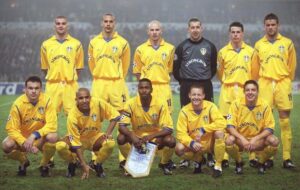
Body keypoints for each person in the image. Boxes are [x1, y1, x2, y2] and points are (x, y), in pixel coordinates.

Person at [252, 13, 297, 169]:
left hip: (282, 83)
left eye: (273, 24)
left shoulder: (288, 43)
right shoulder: (258, 45)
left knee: (284, 120)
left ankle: (287, 158)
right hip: (265, 84)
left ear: (278, 25)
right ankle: (265, 157)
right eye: (268, 25)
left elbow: (291, 67)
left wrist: (284, 81)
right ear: (264, 26)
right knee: (263, 121)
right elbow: (255, 70)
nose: (270, 27)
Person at [173, 17, 217, 168]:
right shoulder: (181, 47)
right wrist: (185, 82)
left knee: (210, 117)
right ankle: (187, 153)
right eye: (192, 27)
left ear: (201, 28)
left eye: (198, 27)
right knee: (186, 117)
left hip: (205, 84)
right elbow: (175, 69)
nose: (195, 30)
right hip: (186, 84)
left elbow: (213, 69)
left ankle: (210, 154)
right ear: (188, 29)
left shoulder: (210, 46)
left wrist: (203, 81)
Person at [88, 13, 130, 167]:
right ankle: (95, 155)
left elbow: (125, 67)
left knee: (121, 119)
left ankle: (123, 157)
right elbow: (92, 65)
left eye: (111, 21)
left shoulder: (123, 43)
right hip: (99, 83)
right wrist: (100, 76)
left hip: (116, 84)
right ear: (101, 23)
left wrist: (116, 78)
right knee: (95, 119)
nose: (108, 24)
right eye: (105, 21)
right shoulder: (93, 42)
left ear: (115, 23)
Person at [56, 88, 120, 179]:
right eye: (81, 98)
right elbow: (76, 144)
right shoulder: (72, 115)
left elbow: (116, 115)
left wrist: (108, 133)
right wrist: (83, 164)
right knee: (60, 146)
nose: (84, 101)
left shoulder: (98, 103)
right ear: (76, 100)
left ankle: (96, 164)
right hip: (78, 139)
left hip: (94, 137)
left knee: (110, 143)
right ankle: (73, 162)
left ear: (90, 98)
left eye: (87, 97)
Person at [117, 78, 176, 175]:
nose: (144, 90)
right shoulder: (130, 103)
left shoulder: (161, 103)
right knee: (121, 138)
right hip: (137, 138)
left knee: (171, 140)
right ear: (138, 89)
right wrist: (133, 136)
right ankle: (130, 164)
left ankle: (164, 163)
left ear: (151, 90)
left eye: (147, 88)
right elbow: (121, 126)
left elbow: (169, 129)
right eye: (141, 88)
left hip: (155, 139)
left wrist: (151, 137)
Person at [2, 76, 58, 177]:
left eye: (36, 88)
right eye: (30, 88)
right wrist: (24, 142)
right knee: (6, 145)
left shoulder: (47, 101)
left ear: (41, 89)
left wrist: (34, 135)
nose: (33, 91)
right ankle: (23, 161)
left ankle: (44, 164)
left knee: (53, 136)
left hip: (39, 138)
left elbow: (52, 125)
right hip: (23, 139)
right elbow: (11, 128)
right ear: (25, 89)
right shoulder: (17, 104)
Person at [217, 22, 255, 168]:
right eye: (233, 32)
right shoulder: (222, 52)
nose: (235, 35)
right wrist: (229, 83)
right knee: (226, 122)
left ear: (242, 34)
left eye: (238, 32)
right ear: (229, 34)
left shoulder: (251, 52)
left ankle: (252, 155)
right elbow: (220, 73)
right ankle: (226, 155)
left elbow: (255, 73)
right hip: (227, 91)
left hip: (245, 92)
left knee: (249, 122)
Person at [225, 80, 279, 174]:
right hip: (240, 141)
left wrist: (255, 138)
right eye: (247, 90)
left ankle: (261, 162)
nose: (250, 92)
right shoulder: (236, 104)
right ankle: (239, 162)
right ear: (244, 92)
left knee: (274, 141)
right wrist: (242, 139)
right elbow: (230, 126)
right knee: (228, 140)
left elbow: (270, 128)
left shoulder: (265, 105)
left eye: (253, 90)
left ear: (258, 92)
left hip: (258, 141)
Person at [175, 84, 226, 177]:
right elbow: (180, 133)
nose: (196, 97)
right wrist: (191, 143)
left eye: (199, 95)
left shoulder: (211, 106)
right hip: (195, 144)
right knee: (179, 148)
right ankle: (198, 160)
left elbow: (222, 122)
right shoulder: (184, 111)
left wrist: (204, 129)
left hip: (210, 143)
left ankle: (218, 165)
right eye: (193, 95)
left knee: (219, 133)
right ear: (189, 95)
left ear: (203, 96)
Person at [41, 16, 84, 115]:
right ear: (54, 26)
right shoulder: (46, 44)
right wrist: (54, 77)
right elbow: (44, 68)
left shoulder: (76, 44)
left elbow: (79, 67)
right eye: (58, 23)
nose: (61, 26)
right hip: (52, 86)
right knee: (49, 117)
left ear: (67, 26)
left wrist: (69, 78)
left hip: (70, 86)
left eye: (63, 23)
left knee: (73, 116)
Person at [133, 20, 175, 113]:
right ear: (148, 31)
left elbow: (170, 70)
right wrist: (144, 86)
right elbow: (137, 72)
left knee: (166, 116)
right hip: (147, 88)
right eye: (152, 30)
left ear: (161, 31)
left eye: (157, 30)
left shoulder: (170, 48)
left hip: (163, 88)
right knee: (144, 115)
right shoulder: (140, 49)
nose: (154, 32)